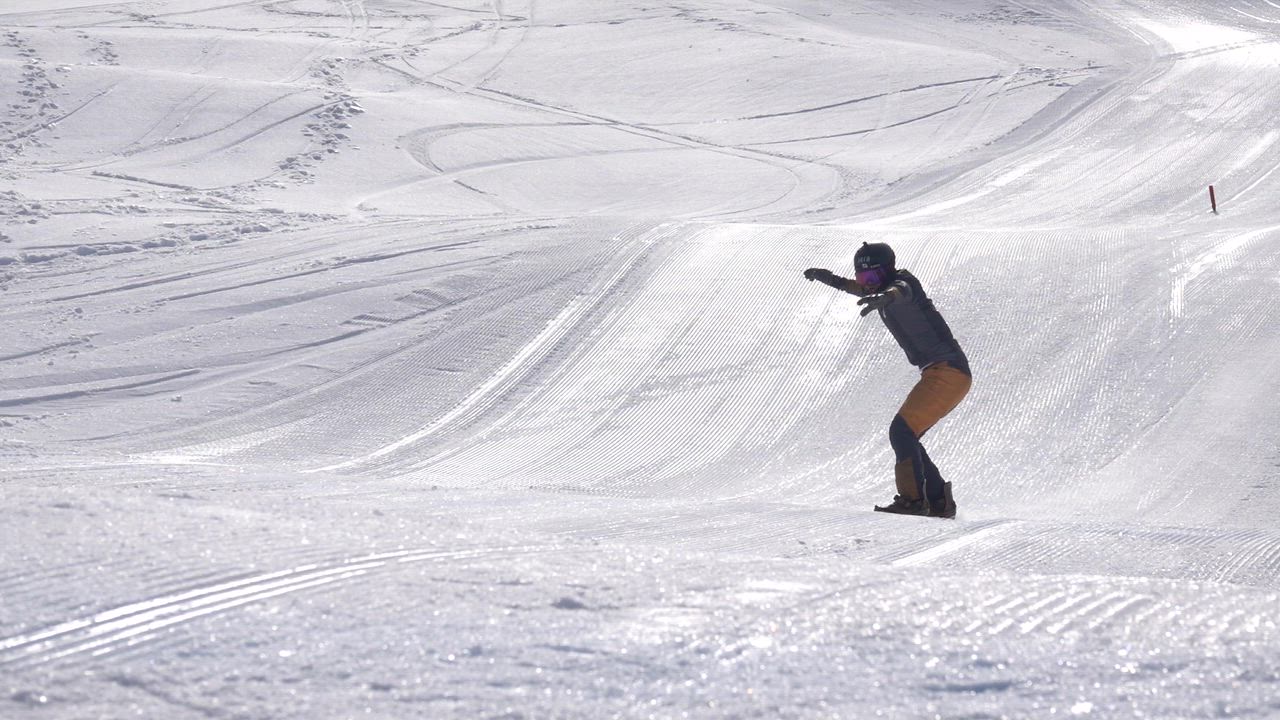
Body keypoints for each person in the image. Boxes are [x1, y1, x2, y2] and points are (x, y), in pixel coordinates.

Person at [803, 242, 971, 518]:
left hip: (948, 371)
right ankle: (939, 501)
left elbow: (900, 291)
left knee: (901, 431)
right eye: (863, 278)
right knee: (908, 436)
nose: (868, 285)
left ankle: (913, 501)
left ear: (889, 271)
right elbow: (857, 288)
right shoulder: (878, 289)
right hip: (941, 371)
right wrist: (829, 279)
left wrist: (887, 296)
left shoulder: (905, 284)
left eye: (873, 278)